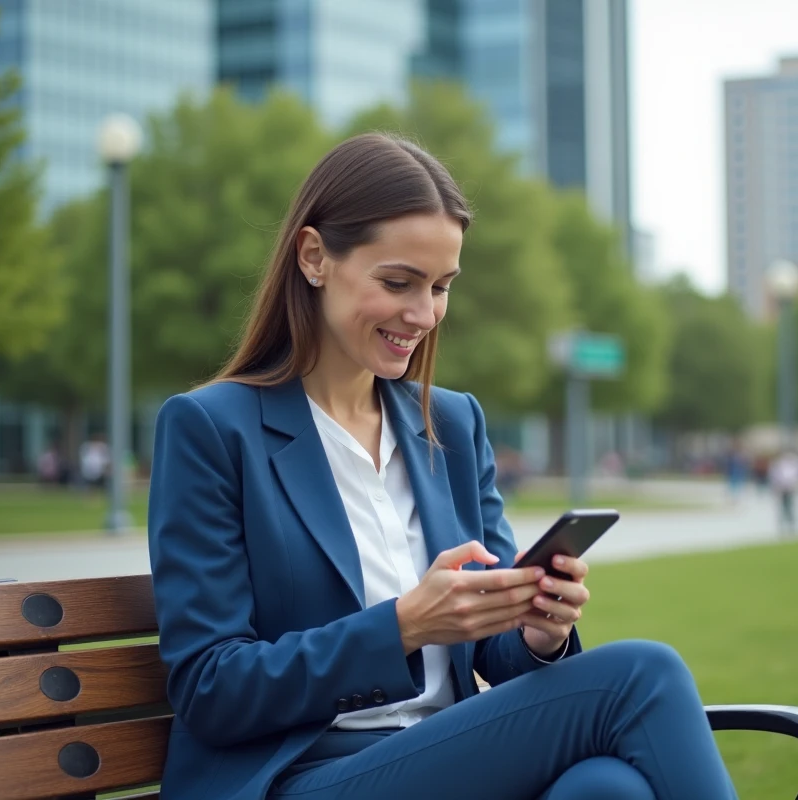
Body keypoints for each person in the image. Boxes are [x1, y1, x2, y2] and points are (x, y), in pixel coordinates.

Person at [147, 134, 737, 800]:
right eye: (398, 282)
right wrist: (402, 626)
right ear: (314, 257)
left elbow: (494, 653)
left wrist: (539, 633)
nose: (423, 314)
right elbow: (210, 687)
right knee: (641, 676)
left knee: (608, 789)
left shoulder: (451, 425)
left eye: (440, 287)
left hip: (440, 758)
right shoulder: (212, 428)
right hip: (296, 774)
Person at [768, 448, 798, 535]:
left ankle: (792, 527)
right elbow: (774, 476)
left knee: (791, 508)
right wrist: (776, 487)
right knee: (782, 509)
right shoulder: (778, 463)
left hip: (791, 488)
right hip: (782, 488)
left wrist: (797, 486)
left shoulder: (796, 462)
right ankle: (782, 527)